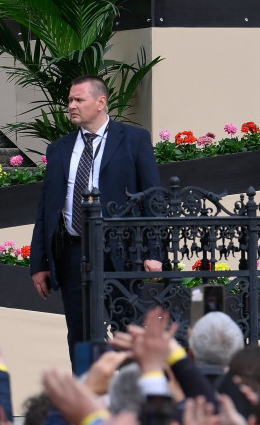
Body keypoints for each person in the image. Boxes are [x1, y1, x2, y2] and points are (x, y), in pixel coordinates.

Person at [29, 75, 162, 367]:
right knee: (80, 332)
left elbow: (153, 198)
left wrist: (155, 253)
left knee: (128, 328)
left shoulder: (134, 140)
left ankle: (129, 397)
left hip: (123, 250)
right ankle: (87, 400)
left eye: (79, 100)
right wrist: (39, 263)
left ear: (101, 102)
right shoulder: (59, 149)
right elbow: (47, 208)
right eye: (70, 101)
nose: (71, 106)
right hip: (74, 251)